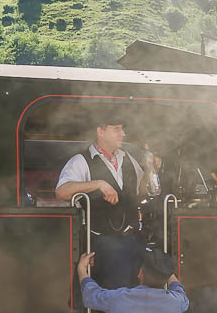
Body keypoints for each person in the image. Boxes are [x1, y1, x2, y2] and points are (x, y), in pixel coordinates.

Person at [57, 120, 150, 289]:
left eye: (122, 129)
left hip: (134, 240)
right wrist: (98, 183)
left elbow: (141, 191)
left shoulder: (127, 158)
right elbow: (62, 191)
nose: (123, 134)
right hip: (103, 245)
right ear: (100, 131)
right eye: (116, 129)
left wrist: (150, 170)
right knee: (113, 297)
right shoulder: (81, 160)